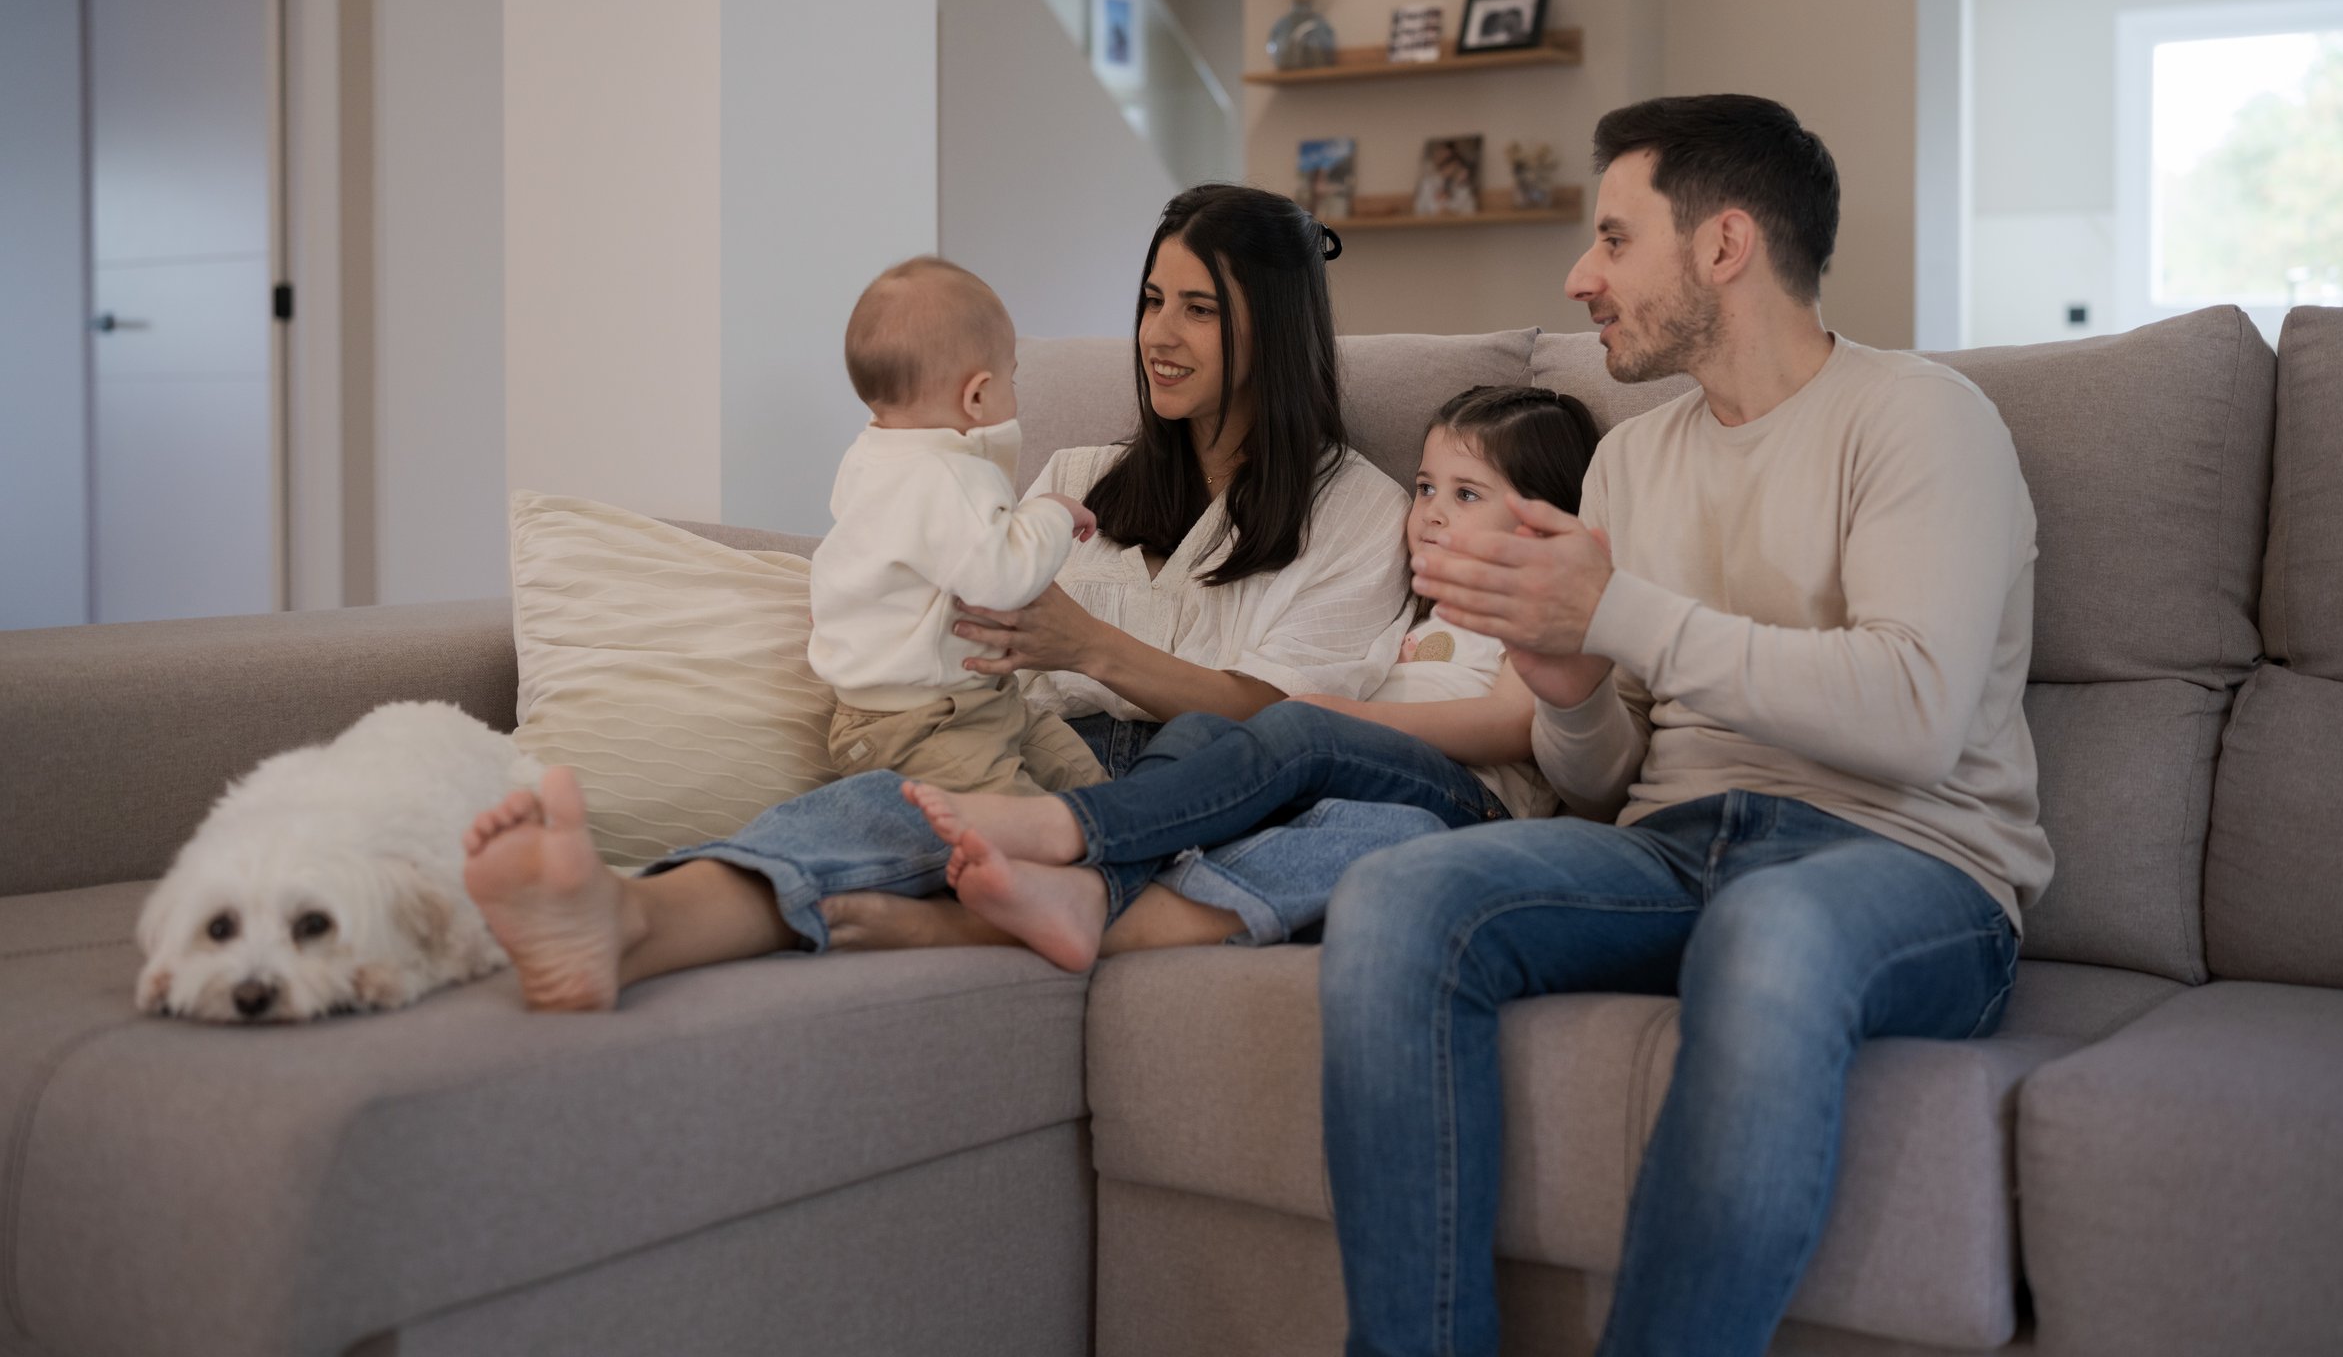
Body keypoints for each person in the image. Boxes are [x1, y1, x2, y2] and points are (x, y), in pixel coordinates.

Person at [1319, 94, 2053, 1357]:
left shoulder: (1921, 419)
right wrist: (1568, 681)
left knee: (1773, 925)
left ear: (1723, 246)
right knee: (1392, 902)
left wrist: (1624, 613)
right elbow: (1606, 780)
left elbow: (1918, 716)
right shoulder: (1631, 462)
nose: (1579, 277)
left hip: (1911, 864)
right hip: (1675, 846)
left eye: (1613, 239)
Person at [461, 184, 1414, 1009]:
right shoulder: (1078, 475)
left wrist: (1088, 647)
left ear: (1275, 330)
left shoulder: (1362, 513)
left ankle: (996, 922)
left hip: (1200, 783)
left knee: (1379, 831)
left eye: (1199, 309)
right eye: (1153, 300)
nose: (1157, 335)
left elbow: (1291, 725)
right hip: (1032, 743)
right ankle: (633, 916)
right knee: (890, 803)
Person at [903, 384, 1600, 972]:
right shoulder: (1414, 613)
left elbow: (1514, 725)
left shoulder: (1537, 614)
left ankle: (1076, 841)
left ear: (1541, 524)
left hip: (1474, 804)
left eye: (1467, 494)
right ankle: (1102, 901)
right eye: (1425, 488)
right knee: (1230, 749)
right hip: (1375, 799)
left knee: (1301, 734)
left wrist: (1336, 719)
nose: (1431, 512)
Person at [806, 257, 1102, 798]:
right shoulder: (949, 475)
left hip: (978, 700)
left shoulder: (871, 454)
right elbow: (1004, 577)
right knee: (1019, 821)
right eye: (1011, 381)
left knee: (1082, 780)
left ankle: (1106, 835)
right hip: (918, 724)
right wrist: (1053, 512)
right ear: (977, 396)